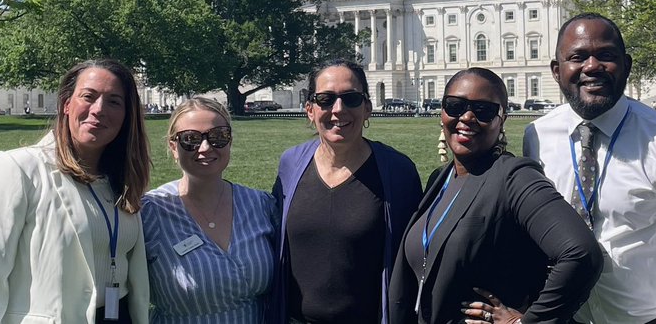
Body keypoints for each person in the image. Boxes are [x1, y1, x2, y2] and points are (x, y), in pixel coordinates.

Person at [523, 13, 656, 324]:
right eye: (578, 57)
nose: (592, 66)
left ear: (627, 65)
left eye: (606, 55)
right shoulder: (538, 137)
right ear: (557, 71)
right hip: (568, 317)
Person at [389, 68, 603, 324]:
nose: (466, 117)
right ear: (442, 113)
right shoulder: (440, 178)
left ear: (502, 119)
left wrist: (526, 322)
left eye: (483, 111)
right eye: (455, 106)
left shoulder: (514, 176)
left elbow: (581, 254)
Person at [0, 58, 151, 324]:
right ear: (66, 104)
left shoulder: (122, 180)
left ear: (127, 115)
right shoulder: (19, 169)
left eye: (114, 102)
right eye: (88, 96)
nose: (99, 109)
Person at [271, 58, 422, 324]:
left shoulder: (397, 171)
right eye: (326, 99)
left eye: (351, 98)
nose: (338, 110)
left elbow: (418, 258)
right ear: (310, 109)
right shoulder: (290, 165)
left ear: (367, 108)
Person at [142, 96, 276, 324]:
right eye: (190, 139)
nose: (205, 148)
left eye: (218, 137)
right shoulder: (151, 212)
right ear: (173, 147)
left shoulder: (261, 205)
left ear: (230, 141)